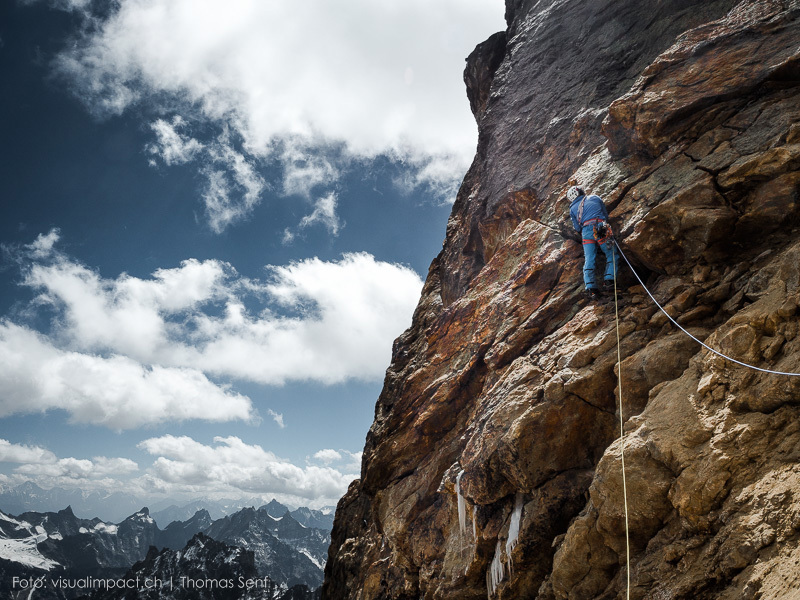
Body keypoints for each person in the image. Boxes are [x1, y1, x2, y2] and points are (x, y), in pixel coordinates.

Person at [567, 185, 619, 299]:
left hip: (586, 231)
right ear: (581, 191)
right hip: (600, 226)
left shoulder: (572, 209)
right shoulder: (595, 198)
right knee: (612, 254)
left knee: (589, 258)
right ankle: (609, 281)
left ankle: (591, 288)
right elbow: (605, 215)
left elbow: (577, 228)